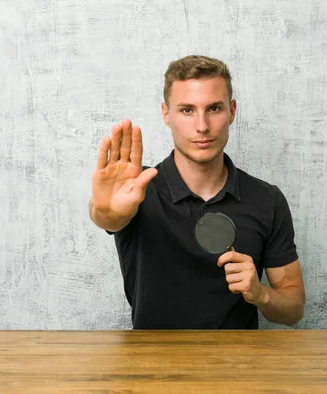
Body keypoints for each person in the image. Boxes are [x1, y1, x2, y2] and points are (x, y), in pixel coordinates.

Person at [89, 55, 306, 329]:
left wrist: (261, 293)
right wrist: (106, 213)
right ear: (166, 114)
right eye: (187, 110)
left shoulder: (267, 200)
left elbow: (294, 308)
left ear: (232, 111)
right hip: (149, 367)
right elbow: (106, 215)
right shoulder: (136, 190)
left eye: (214, 108)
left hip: (238, 368)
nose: (202, 126)